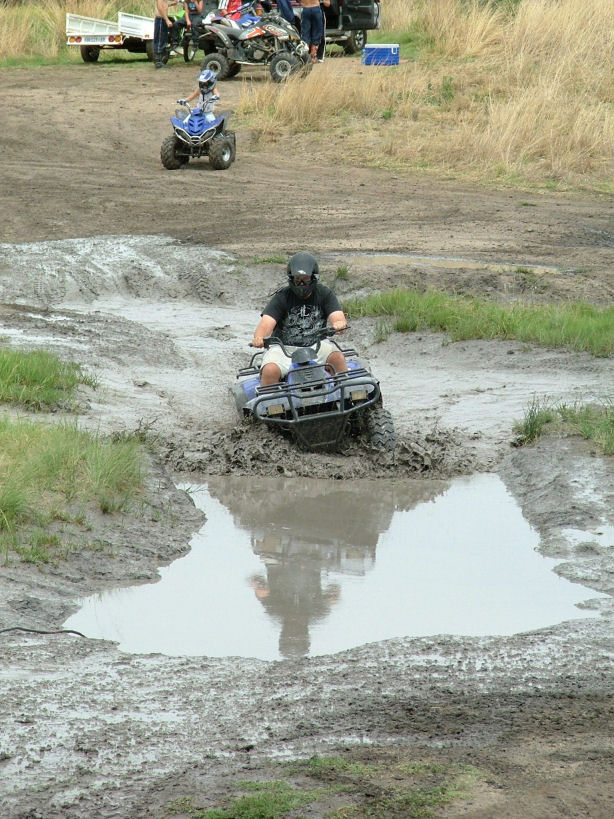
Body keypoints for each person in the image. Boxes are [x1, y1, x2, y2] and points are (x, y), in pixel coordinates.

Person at [251, 252, 348, 386]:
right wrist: (259, 337)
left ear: (314, 278)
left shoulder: (325, 293)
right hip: (284, 349)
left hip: (316, 345)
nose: (301, 284)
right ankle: (270, 403)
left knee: (337, 357)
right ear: (291, 279)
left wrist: (339, 324)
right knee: (270, 370)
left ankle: (349, 396)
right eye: (297, 279)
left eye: (305, 279)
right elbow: (266, 323)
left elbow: (337, 316)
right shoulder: (282, 297)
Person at [154, 0, 179, 68]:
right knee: (159, 39)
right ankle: (158, 62)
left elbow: (164, 5)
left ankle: (162, 61)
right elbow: (160, 7)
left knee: (164, 39)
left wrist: (170, 4)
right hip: (160, 19)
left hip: (163, 19)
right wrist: (167, 20)